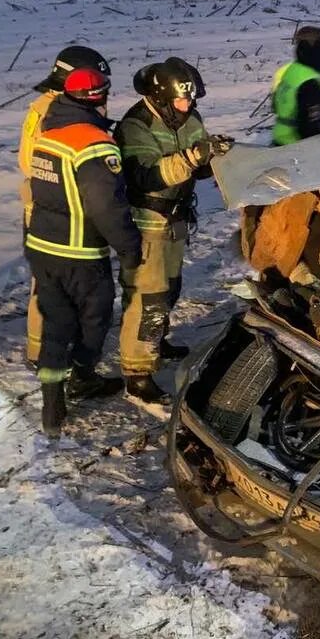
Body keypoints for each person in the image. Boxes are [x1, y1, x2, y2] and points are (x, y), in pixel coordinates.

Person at [25, 67, 142, 437]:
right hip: (79, 250)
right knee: (95, 319)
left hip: (42, 246)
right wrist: (127, 247)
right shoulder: (94, 143)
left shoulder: (49, 134)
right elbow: (106, 206)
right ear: (101, 98)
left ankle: (51, 400)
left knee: (56, 321)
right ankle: (83, 375)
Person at [116, 58, 227, 399]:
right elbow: (146, 176)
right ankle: (137, 371)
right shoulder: (136, 125)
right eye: (181, 100)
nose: (188, 106)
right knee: (148, 298)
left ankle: (156, 342)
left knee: (171, 288)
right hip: (147, 222)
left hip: (177, 219)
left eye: (191, 100)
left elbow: (199, 166)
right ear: (162, 98)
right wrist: (193, 158)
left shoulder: (190, 117)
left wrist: (215, 156)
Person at [20, 46, 111, 366]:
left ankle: (43, 350)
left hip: (45, 206)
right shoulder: (55, 112)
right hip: (57, 210)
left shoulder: (45, 106)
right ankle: (48, 353)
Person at [271, 26, 320, 145]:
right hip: (298, 151)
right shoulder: (311, 84)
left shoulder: (291, 71)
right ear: (319, 52)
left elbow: (275, 105)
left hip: (281, 140)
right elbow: (310, 129)